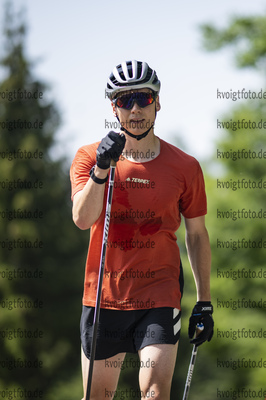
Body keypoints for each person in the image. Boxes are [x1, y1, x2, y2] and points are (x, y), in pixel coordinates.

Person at [70, 60, 214, 400]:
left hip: (159, 296)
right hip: (104, 297)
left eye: (144, 99)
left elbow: (196, 235)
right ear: (114, 108)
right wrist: (102, 169)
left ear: (158, 102)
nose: (135, 109)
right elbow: (82, 218)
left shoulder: (185, 166)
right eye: (125, 100)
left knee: (153, 393)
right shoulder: (90, 157)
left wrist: (205, 302)